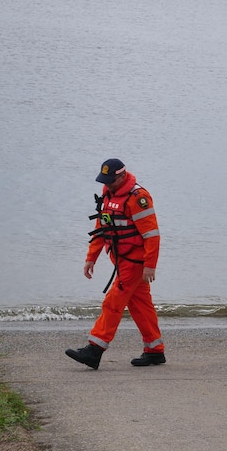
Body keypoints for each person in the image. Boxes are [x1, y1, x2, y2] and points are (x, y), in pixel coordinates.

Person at [65, 158, 165, 370]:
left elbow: (152, 234)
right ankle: (155, 351)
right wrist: (91, 258)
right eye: (105, 181)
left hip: (135, 262)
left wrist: (150, 265)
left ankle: (94, 349)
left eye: (111, 181)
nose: (107, 184)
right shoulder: (107, 195)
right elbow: (102, 228)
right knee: (141, 306)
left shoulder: (138, 198)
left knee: (113, 302)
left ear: (122, 176)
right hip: (122, 260)